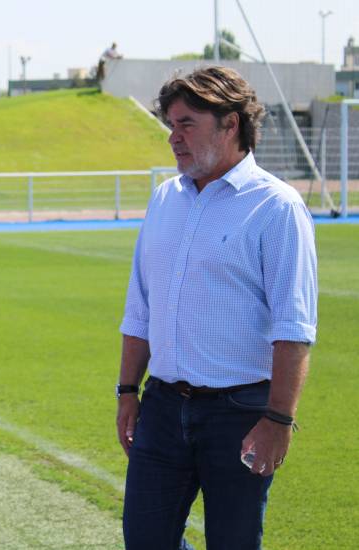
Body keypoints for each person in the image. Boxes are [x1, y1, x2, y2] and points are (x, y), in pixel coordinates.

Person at [116, 66, 317, 549]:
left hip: (241, 414)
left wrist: (279, 420)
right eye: (170, 124)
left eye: (187, 124)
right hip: (162, 408)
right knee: (145, 541)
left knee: (233, 542)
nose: (172, 137)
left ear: (231, 124)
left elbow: (293, 328)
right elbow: (140, 306)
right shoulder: (165, 198)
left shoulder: (277, 207)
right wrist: (127, 390)